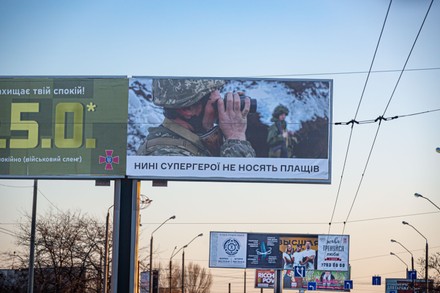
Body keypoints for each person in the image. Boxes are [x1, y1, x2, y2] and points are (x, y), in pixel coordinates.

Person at [137, 79, 256, 157]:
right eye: (215, 104)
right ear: (187, 110)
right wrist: (235, 136)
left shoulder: (192, 140)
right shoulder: (166, 155)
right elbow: (236, 189)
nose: (218, 111)